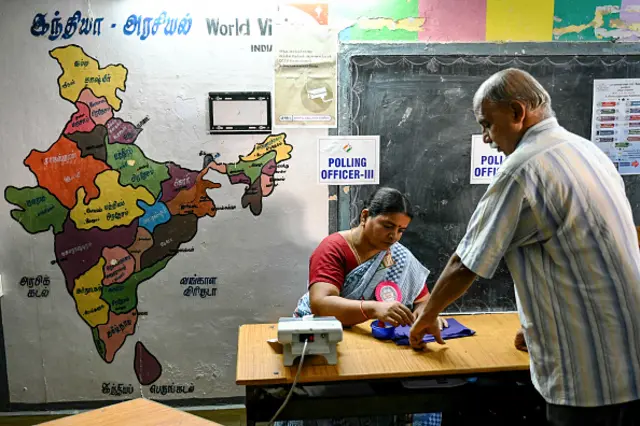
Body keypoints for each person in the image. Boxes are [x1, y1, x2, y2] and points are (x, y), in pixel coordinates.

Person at [410, 68, 640, 426]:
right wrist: (540, 326)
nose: (485, 137)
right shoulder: (587, 151)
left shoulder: (524, 167)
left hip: (588, 374)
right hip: (630, 356)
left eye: (487, 124)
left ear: (518, 113)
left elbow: (466, 262)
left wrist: (425, 316)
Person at [291, 186, 447, 426]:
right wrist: (374, 308)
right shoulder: (334, 248)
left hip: (376, 350)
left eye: (401, 230)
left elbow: (422, 298)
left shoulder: (398, 256)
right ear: (365, 216)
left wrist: (426, 315)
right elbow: (321, 303)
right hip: (331, 346)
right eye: (387, 226)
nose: (394, 236)